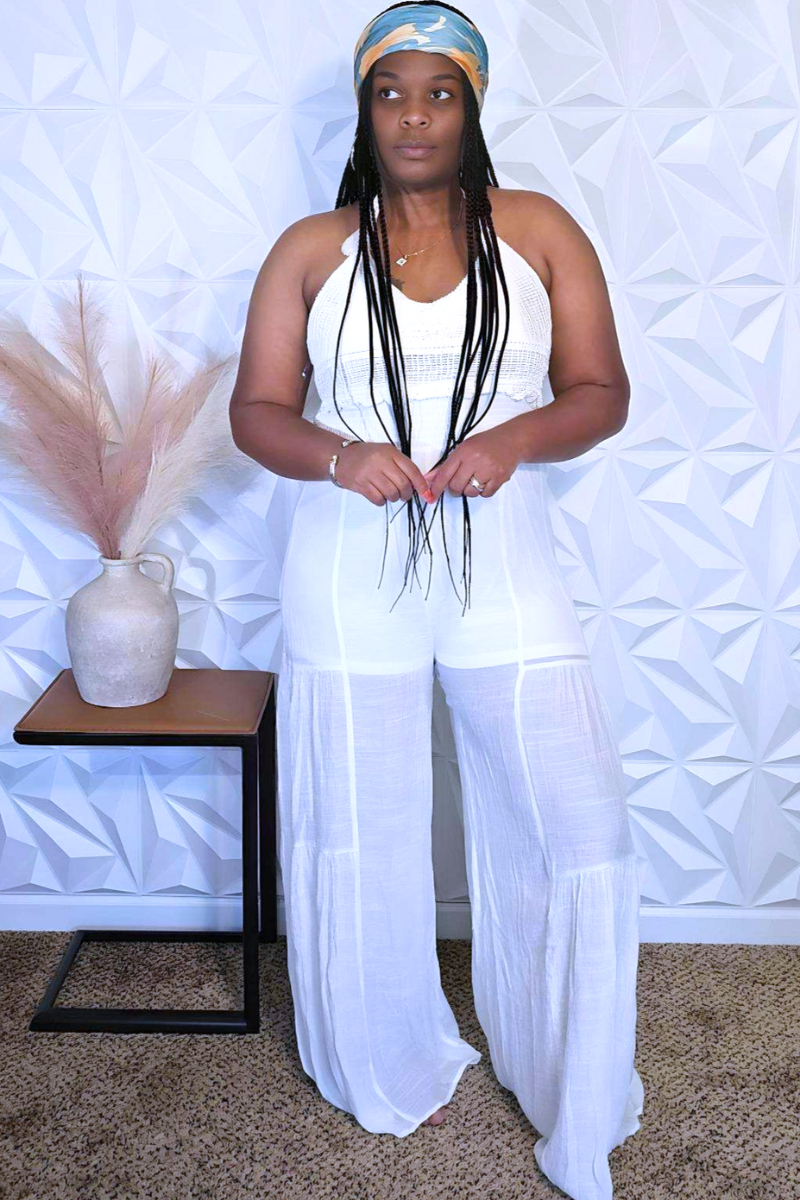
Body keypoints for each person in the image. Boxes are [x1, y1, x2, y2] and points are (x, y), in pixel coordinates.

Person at [229, 4, 644, 1197]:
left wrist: (511, 437)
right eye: (390, 93)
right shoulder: (311, 248)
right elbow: (254, 412)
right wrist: (338, 454)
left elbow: (600, 390)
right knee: (357, 831)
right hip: (346, 572)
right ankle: (386, 1057)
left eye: (439, 92)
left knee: (575, 826)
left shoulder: (537, 229)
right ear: (365, 110)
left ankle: (568, 1081)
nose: (413, 116)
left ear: (471, 106)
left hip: (501, 567)